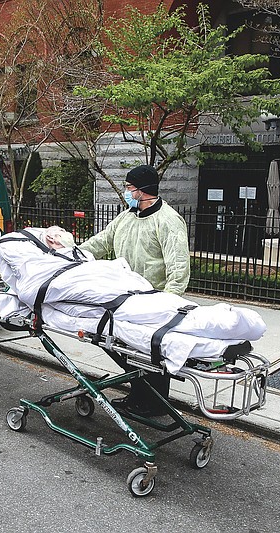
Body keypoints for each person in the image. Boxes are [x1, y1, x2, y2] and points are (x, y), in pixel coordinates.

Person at [79, 164, 190, 416]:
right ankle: (138, 397)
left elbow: (179, 266)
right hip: (125, 298)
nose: (126, 192)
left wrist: (167, 305)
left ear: (142, 190)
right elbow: (103, 240)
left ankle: (155, 404)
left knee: (151, 355)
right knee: (127, 352)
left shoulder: (168, 221)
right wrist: (74, 254)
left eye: (129, 187)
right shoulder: (127, 215)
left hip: (154, 300)